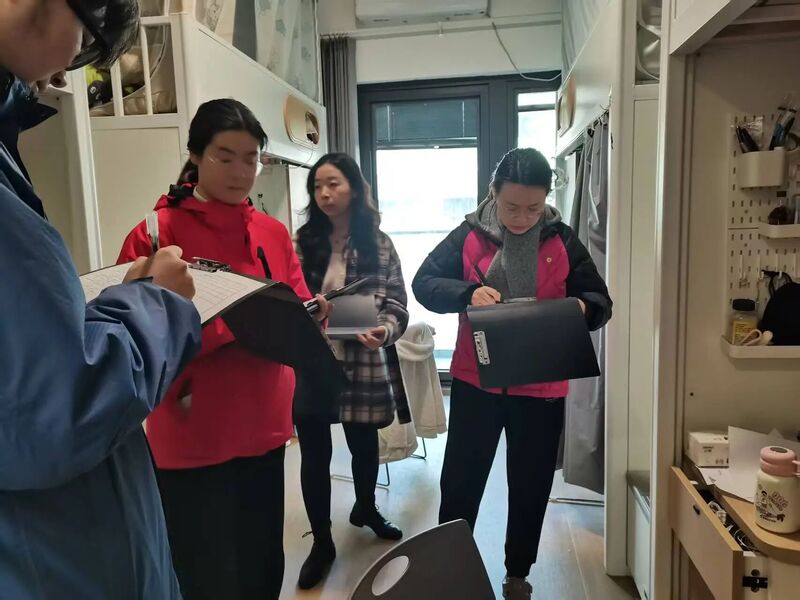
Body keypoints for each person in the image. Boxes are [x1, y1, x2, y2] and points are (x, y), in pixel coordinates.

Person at [0, 1, 205, 599]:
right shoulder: (157, 226)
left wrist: (123, 305)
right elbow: (57, 406)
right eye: (87, 43)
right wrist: (157, 303)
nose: (66, 76)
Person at [117, 98, 328, 600]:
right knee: (203, 571)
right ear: (195, 155)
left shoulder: (271, 232)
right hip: (191, 430)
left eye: (251, 158)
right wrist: (233, 326)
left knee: (262, 564)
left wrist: (312, 312)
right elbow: (132, 334)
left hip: (264, 421)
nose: (240, 171)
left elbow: (294, 294)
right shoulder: (157, 233)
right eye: (224, 156)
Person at [412, 148, 612, 600]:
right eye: (511, 207)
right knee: (461, 481)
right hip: (476, 381)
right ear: (493, 194)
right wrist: (467, 293)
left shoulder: (561, 240)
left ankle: (517, 572)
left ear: (546, 200)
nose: (522, 219)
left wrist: (582, 308)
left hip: (540, 386)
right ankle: (451, 565)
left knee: (530, 485)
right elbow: (424, 283)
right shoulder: (469, 234)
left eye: (533, 208)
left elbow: (600, 300)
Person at [293, 153, 410, 590]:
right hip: (312, 359)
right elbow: (286, 298)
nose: (324, 193)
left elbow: (396, 302)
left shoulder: (379, 243)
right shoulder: (301, 241)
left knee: (364, 445)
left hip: (362, 357)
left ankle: (365, 507)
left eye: (334, 184)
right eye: (317, 186)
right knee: (314, 456)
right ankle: (322, 542)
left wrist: (385, 330)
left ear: (355, 188)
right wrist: (312, 311)